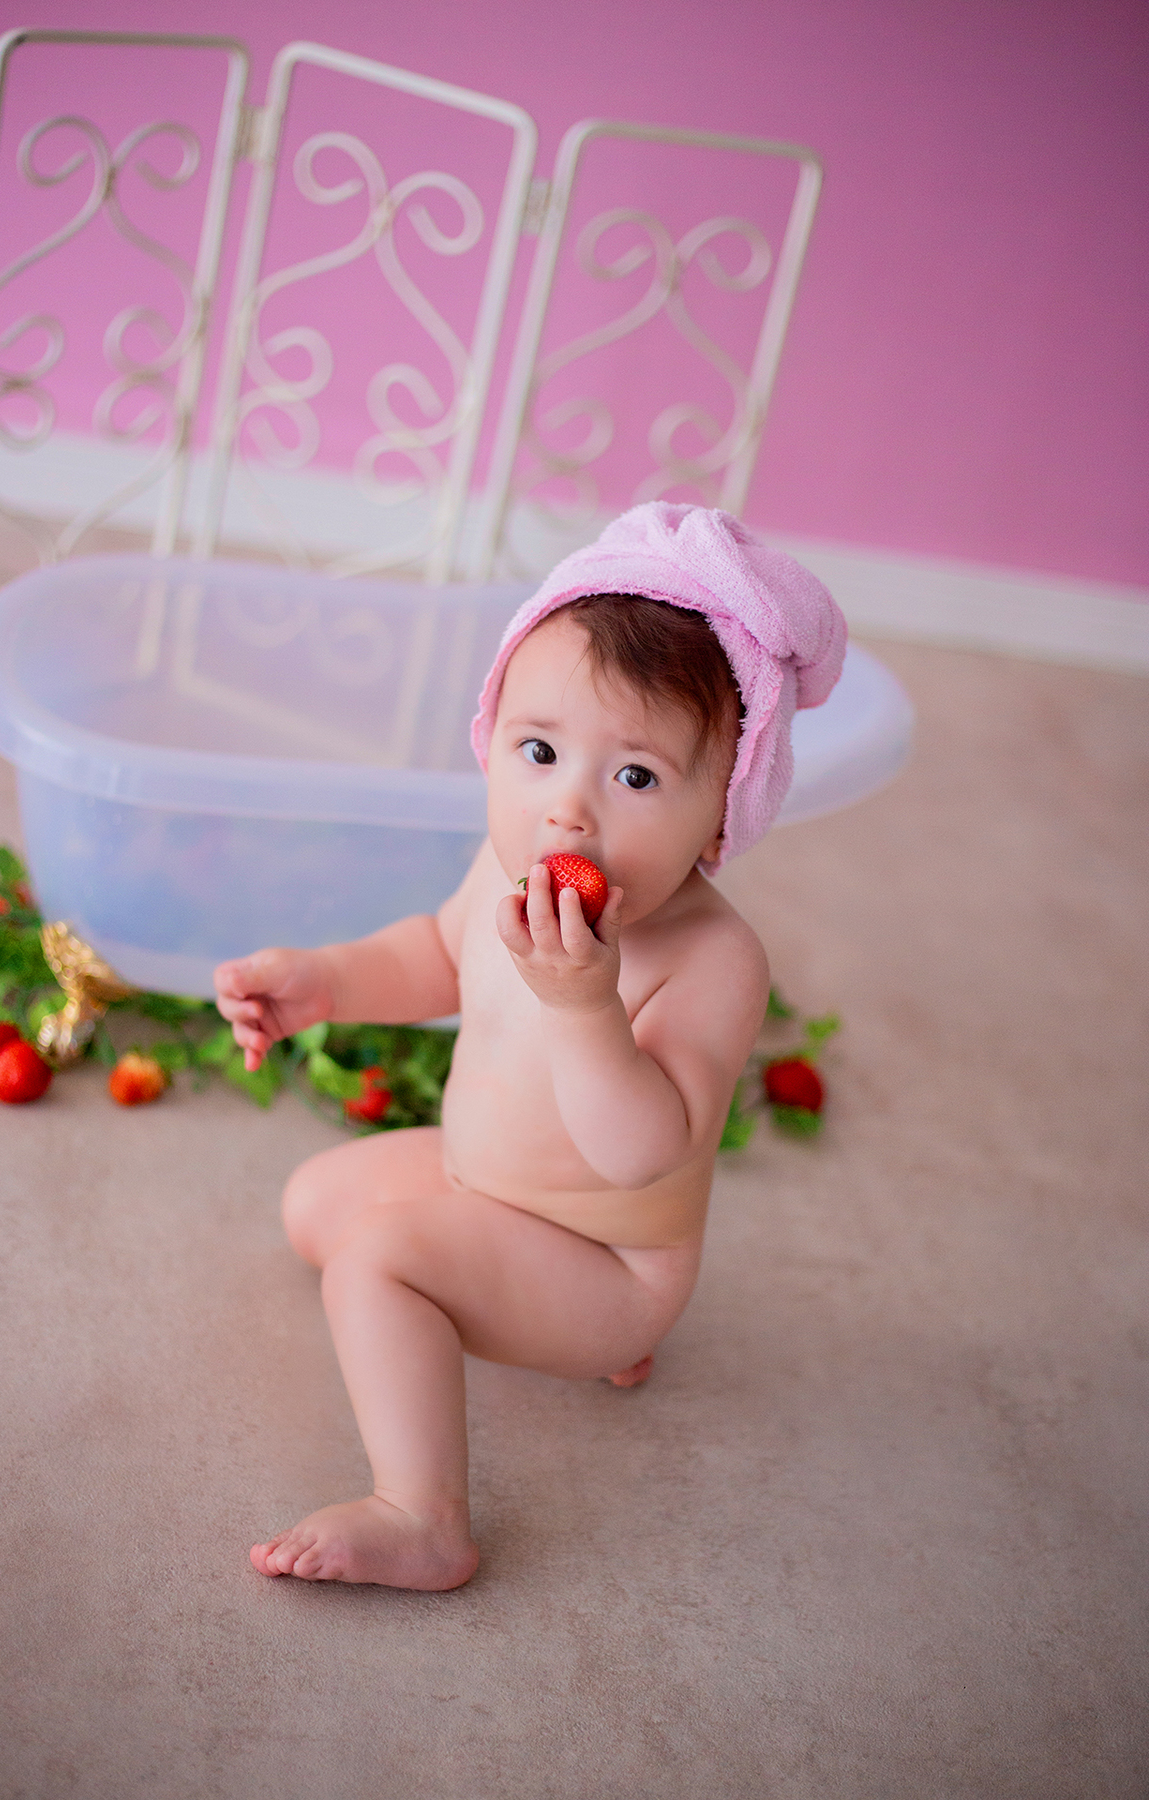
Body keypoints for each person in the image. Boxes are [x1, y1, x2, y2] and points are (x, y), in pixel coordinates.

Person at [214, 502, 846, 1591]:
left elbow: (645, 1148)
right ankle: (483, 1287)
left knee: (376, 1266)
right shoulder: (506, 868)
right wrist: (323, 981)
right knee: (315, 1206)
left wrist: (587, 1006)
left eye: (636, 777)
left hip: (610, 1262)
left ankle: (424, 1516)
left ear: (723, 813)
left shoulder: (712, 960)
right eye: (541, 751)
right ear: (492, 737)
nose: (568, 812)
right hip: (486, 1185)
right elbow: (435, 954)